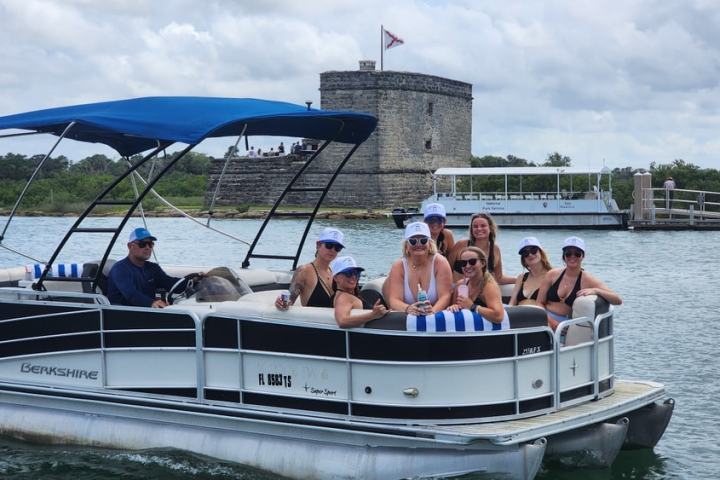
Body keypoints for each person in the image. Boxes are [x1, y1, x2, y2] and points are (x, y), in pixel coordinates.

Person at [536, 236, 622, 330]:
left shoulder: (588, 279)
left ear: (583, 256)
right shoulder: (552, 275)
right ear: (564, 256)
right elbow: (539, 302)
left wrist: (596, 290)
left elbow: (617, 300)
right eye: (568, 253)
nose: (572, 257)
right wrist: (551, 322)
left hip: (567, 325)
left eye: (577, 254)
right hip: (545, 319)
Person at [384, 222, 453, 315]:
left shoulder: (440, 262)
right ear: (406, 246)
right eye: (413, 241)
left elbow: (445, 296)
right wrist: (408, 308)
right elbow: (394, 300)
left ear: (430, 244)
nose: (418, 244)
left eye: (423, 240)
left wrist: (433, 311)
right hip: (408, 319)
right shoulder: (398, 266)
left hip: (435, 318)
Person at [107, 227, 180, 308]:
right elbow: (131, 294)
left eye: (150, 244)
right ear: (130, 246)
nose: (147, 247)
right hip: (123, 315)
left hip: (146, 312)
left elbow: (170, 283)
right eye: (142, 244)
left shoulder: (153, 268)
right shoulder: (120, 269)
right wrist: (151, 303)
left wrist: (191, 281)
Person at [275, 227, 344, 309]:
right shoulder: (304, 271)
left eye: (337, 247)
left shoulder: (334, 272)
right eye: (329, 245)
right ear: (318, 245)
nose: (333, 250)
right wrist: (281, 303)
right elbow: (289, 301)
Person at [448, 212, 514, 285]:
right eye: (475, 226)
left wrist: (521, 279)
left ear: (490, 228)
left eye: (483, 226)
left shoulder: (495, 249)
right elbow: (446, 269)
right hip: (459, 291)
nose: (479, 229)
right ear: (471, 229)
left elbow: (499, 278)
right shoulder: (461, 245)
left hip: (481, 292)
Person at [446, 246, 505, 323]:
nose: (467, 266)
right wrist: (453, 307)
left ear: (483, 263)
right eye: (463, 263)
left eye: (472, 261)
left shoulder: (489, 286)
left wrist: (472, 306)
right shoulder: (460, 284)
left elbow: (498, 316)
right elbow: (453, 306)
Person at [331, 256, 387, 328]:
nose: (354, 277)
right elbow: (342, 321)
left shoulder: (346, 295)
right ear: (336, 277)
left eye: (356, 273)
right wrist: (373, 315)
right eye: (348, 273)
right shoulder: (343, 297)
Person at [509, 237, 552, 306]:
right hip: (518, 314)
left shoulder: (552, 276)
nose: (530, 254)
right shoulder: (521, 278)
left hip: (540, 315)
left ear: (541, 252)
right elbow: (512, 303)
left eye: (533, 250)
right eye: (525, 253)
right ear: (523, 259)